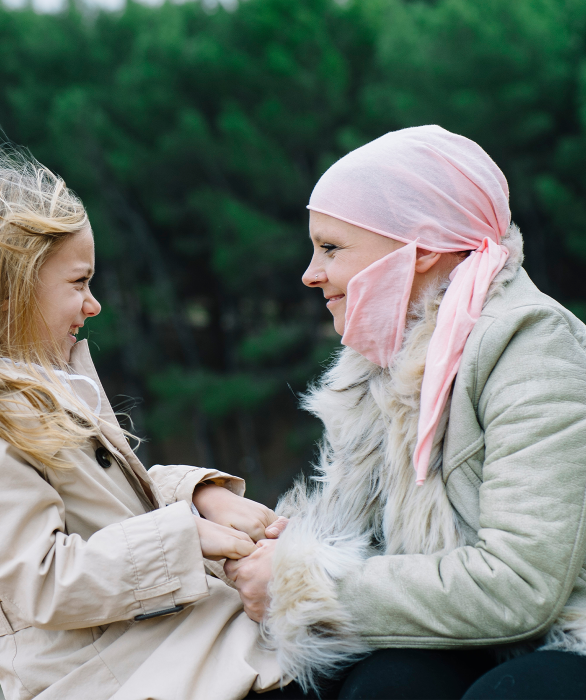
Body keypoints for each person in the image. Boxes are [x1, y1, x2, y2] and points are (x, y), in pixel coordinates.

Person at [0, 139, 303, 700]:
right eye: (79, 283)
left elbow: (99, 510)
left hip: (163, 654)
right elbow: (44, 579)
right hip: (117, 679)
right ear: (10, 290)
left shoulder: (36, 389)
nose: (94, 304)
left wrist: (197, 497)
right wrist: (188, 538)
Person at [224, 125, 586, 700]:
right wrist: (265, 546)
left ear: (423, 250)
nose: (310, 273)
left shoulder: (531, 344)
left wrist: (306, 583)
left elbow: (523, 586)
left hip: (559, 639)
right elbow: (358, 537)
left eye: (332, 248)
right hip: (465, 633)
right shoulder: (378, 358)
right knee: (371, 687)